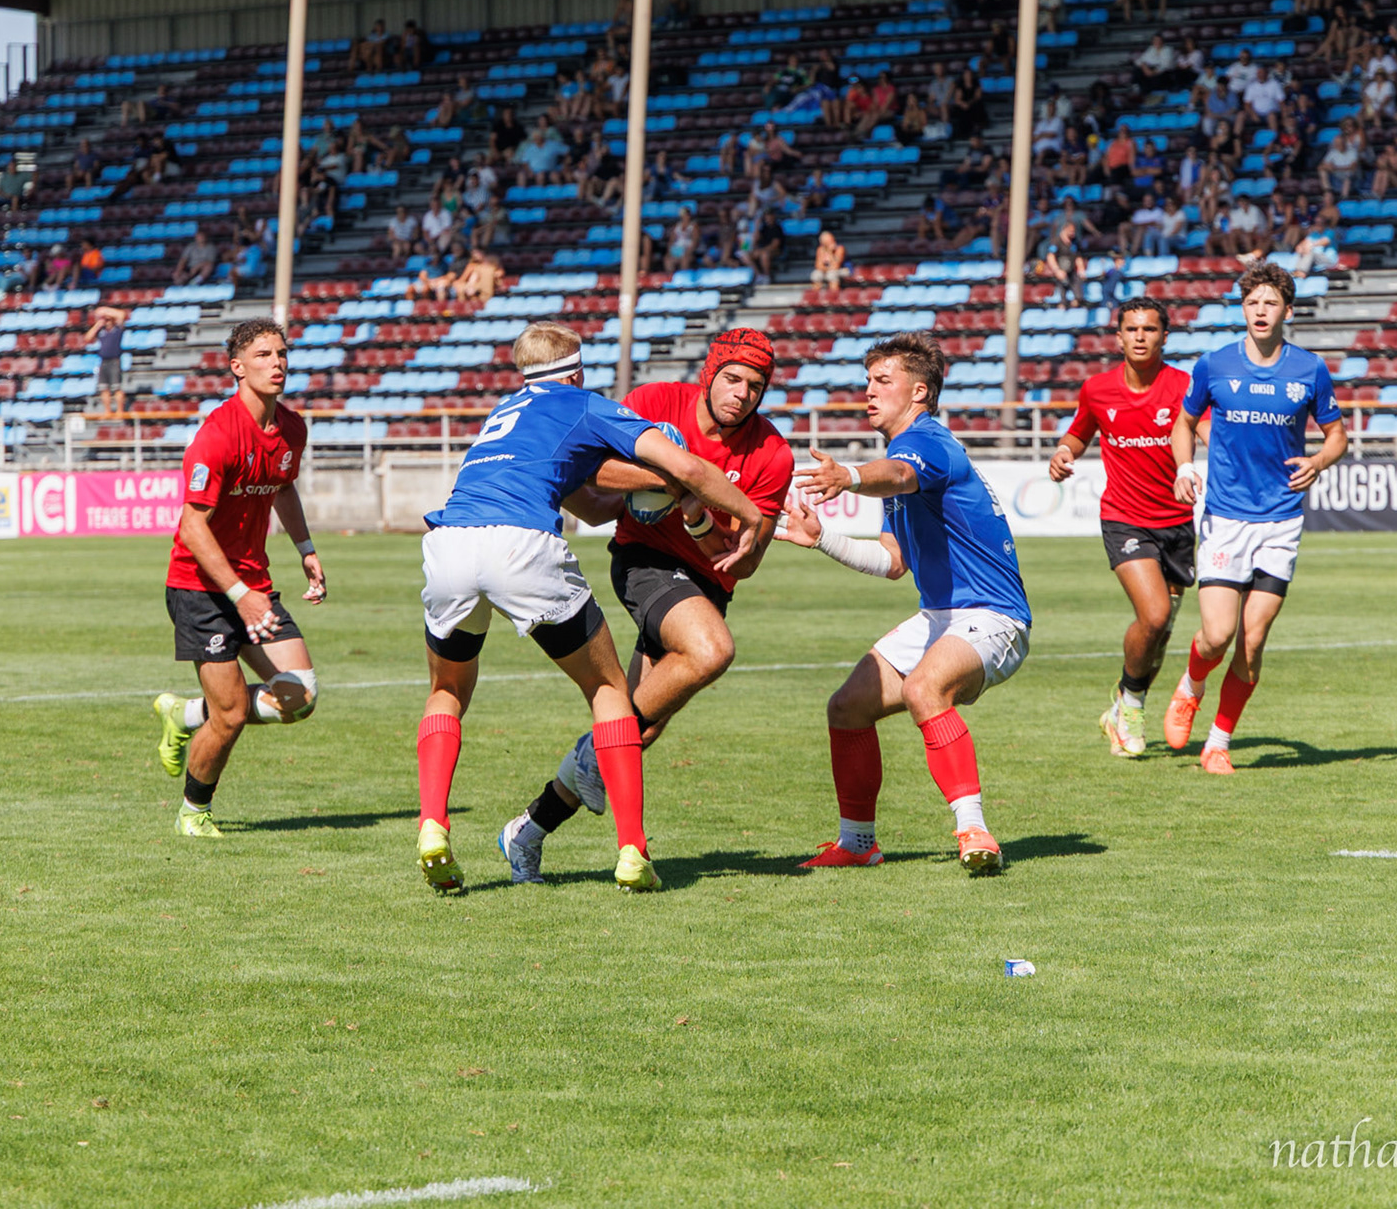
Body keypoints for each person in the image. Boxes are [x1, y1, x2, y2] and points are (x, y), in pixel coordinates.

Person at [414, 321, 763, 894]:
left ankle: (433, 824)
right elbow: (688, 466)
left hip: (448, 540)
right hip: (518, 542)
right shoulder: (582, 403)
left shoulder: (504, 412)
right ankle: (632, 852)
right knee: (607, 694)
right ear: (575, 369)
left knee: (446, 689)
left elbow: (595, 508)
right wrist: (744, 514)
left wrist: (645, 490)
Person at [497, 331, 794, 884]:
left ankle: (527, 830)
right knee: (711, 650)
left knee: (635, 734)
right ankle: (593, 753)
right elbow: (591, 472)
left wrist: (697, 515)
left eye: (756, 386)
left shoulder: (773, 454)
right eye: (732, 378)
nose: (742, 394)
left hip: (705, 587)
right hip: (644, 559)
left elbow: (744, 563)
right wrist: (677, 476)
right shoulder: (657, 402)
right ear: (710, 373)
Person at [781, 331, 1031, 875]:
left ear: (919, 392)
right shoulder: (901, 457)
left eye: (882, 381)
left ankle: (973, 829)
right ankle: (857, 842)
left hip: (992, 614)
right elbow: (893, 562)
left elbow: (897, 474)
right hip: (940, 618)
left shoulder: (928, 444)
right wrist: (821, 538)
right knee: (847, 708)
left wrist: (846, 476)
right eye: (867, 380)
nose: (868, 391)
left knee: (924, 688)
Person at [1163, 263, 1348, 774]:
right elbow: (1184, 422)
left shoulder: (1308, 369)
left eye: (1270, 303)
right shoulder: (1214, 365)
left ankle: (1218, 742)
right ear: (1243, 310)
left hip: (1282, 519)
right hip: (1226, 516)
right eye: (1252, 303)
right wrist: (1184, 465)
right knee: (1217, 636)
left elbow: (1337, 435)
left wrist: (1318, 461)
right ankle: (1192, 683)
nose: (1260, 311)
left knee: (1253, 638)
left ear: (1287, 311)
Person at [149, 319, 325, 838]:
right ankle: (192, 812)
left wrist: (306, 549)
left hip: (253, 585)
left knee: (300, 697)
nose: (278, 363)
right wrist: (240, 595)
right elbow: (191, 527)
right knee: (228, 717)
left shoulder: (292, 428)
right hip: (201, 589)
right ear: (237, 368)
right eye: (265, 355)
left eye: (283, 354)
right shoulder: (217, 435)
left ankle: (185, 714)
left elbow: (284, 488)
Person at [1049, 302, 1196, 759]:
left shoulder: (1183, 385)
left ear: (1164, 336)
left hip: (1178, 522)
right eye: (1131, 329)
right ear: (1117, 337)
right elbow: (1079, 432)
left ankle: (1124, 706)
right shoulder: (1097, 389)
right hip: (1124, 516)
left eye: (1149, 329)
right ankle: (1130, 704)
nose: (1139, 336)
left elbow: (1202, 428)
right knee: (1152, 615)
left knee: (1160, 633)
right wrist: (1063, 452)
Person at [86, 304, 128, 416]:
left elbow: (122, 314)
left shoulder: (118, 330)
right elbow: (88, 338)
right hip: (103, 361)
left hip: (114, 361)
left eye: (108, 320)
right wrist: (97, 325)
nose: (107, 322)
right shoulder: (101, 332)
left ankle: (119, 410)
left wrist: (106, 311)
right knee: (104, 388)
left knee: (116, 387)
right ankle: (108, 411)